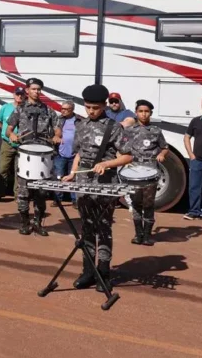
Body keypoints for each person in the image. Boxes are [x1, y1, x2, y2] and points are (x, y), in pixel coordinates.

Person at [62, 84, 133, 291]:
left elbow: (128, 156)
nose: (91, 111)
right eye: (87, 107)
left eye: (95, 107)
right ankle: (88, 271)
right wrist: (72, 173)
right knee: (86, 227)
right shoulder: (81, 125)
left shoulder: (114, 127)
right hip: (84, 183)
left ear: (104, 106)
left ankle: (104, 272)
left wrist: (106, 164)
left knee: (103, 227)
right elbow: (79, 154)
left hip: (104, 184)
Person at [8, 78, 55, 236]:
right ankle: (24, 223)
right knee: (23, 192)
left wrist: (57, 136)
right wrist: (12, 135)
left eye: (39, 89)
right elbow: (9, 129)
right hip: (25, 154)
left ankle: (38, 222)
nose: (37, 92)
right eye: (34, 89)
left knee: (41, 192)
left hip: (42, 155)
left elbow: (57, 129)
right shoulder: (19, 109)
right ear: (27, 90)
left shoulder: (48, 110)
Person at [124, 99, 168, 246]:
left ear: (151, 113)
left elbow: (165, 147)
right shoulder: (129, 131)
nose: (143, 114)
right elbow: (121, 148)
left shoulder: (156, 131)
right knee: (136, 202)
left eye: (146, 111)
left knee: (148, 203)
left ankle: (148, 235)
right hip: (134, 170)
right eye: (141, 111)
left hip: (151, 170)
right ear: (136, 113)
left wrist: (162, 154)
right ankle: (138, 234)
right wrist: (123, 159)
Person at [0, 87, 24, 199]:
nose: (20, 96)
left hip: (22, 144)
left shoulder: (26, 109)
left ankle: (17, 194)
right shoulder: (5, 108)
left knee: (19, 170)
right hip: (7, 143)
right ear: (14, 95)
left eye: (22, 94)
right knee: (2, 168)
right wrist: (8, 134)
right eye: (17, 94)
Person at [52, 100, 81, 203]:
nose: (62, 111)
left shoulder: (79, 120)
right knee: (59, 176)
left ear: (72, 109)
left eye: (65, 109)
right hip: (60, 153)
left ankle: (74, 200)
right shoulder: (58, 119)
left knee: (73, 176)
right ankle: (57, 199)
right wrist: (55, 137)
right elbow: (53, 132)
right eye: (62, 108)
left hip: (74, 154)